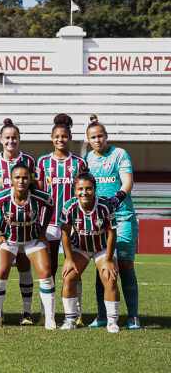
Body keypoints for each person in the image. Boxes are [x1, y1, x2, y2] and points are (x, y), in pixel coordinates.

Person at [85, 114, 141, 330]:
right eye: (93, 137)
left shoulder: (119, 154)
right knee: (103, 266)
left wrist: (117, 198)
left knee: (125, 265)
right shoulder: (87, 159)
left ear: (106, 136)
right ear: (88, 140)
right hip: (99, 221)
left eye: (100, 136)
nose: (97, 140)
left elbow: (127, 181)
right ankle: (102, 315)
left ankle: (133, 316)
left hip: (123, 217)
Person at [0, 163, 56, 330]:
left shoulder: (39, 196)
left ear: (30, 179)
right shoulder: (1, 197)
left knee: (46, 272)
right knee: (0, 272)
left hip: (32, 240)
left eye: (25, 177)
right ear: (11, 180)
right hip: (9, 241)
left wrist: (42, 230)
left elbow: (50, 205)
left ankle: (49, 319)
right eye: (17, 177)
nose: (21, 180)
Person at [0, 118, 38, 325]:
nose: (11, 141)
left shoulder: (28, 161)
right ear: (0, 140)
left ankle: (26, 312)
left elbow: (35, 191)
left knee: (24, 264)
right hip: (0, 225)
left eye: (14, 138)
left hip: (24, 224)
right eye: (7, 138)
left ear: (19, 139)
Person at [36, 113, 86, 324]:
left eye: (64, 136)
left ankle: (78, 312)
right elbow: (38, 192)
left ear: (69, 138)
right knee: (48, 269)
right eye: (56, 136)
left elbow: (84, 192)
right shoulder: (43, 162)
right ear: (51, 138)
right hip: (48, 224)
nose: (60, 140)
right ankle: (46, 313)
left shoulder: (79, 163)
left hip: (71, 225)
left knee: (74, 269)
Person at [59, 172, 120, 333]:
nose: (84, 192)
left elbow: (112, 233)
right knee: (68, 277)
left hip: (101, 248)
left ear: (95, 189)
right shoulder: (69, 206)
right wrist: (69, 259)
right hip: (80, 248)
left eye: (88, 189)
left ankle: (112, 321)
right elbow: (64, 232)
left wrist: (108, 259)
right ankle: (70, 319)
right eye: (80, 189)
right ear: (74, 190)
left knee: (109, 277)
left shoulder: (105, 206)